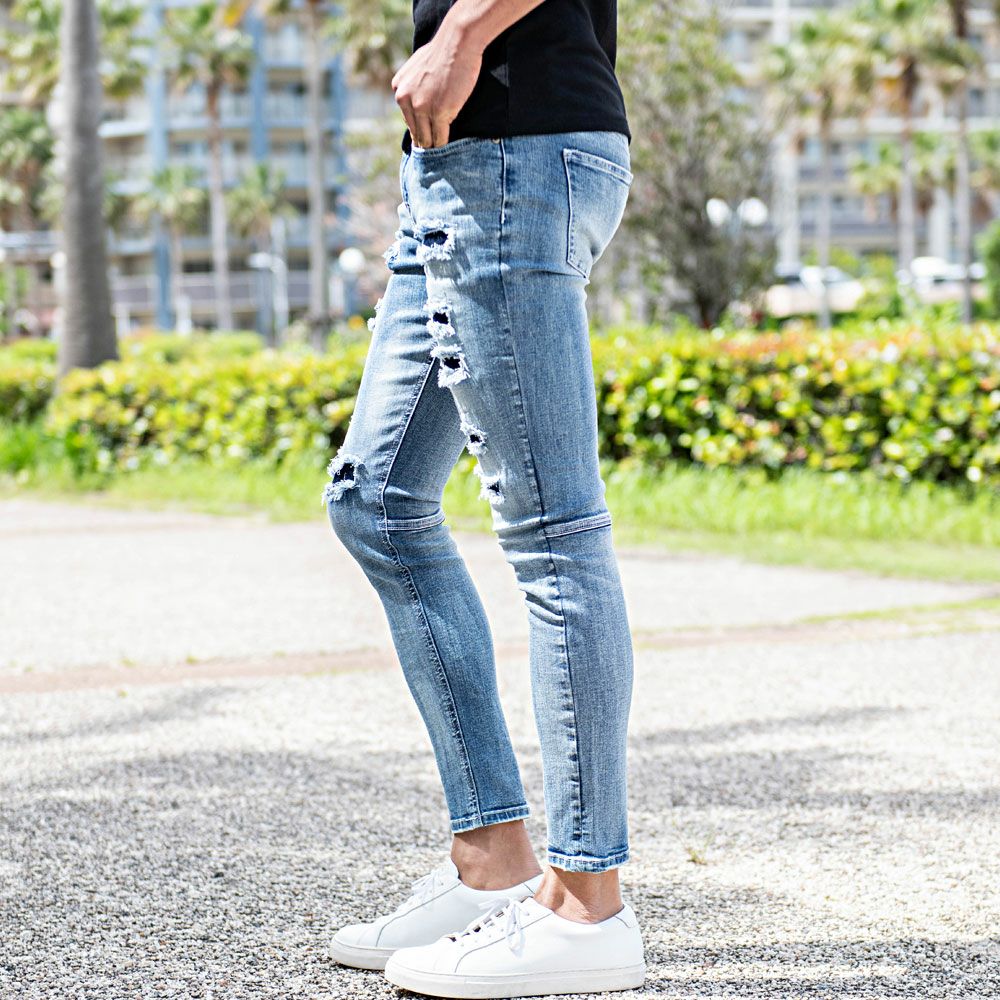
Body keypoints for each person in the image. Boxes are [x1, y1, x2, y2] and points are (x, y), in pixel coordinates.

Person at [322, 0, 643, 995]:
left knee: (554, 530)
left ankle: (585, 906)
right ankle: (493, 865)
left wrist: (460, 37)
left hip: (515, 148)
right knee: (376, 500)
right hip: (460, 164)